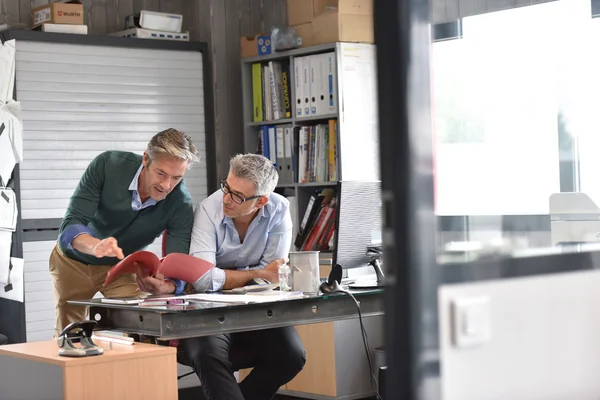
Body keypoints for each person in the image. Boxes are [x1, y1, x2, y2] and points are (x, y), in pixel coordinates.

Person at [138, 153, 306, 400]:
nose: (226, 199)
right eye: (226, 186)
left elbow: (272, 278)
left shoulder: (279, 210)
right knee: (209, 355)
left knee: (292, 355)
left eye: (237, 196)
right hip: (208, 309)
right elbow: (205, 280)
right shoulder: (208, 210)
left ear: (260, 201)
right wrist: (257, 273)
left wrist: (231, 277)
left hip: (256, 310)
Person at [49, 128, 199, 336]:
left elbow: (177, 262)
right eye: (161, 173)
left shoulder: (181, 203)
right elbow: (71, 224)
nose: (166, 185)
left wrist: (168, 286)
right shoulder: (107, 165)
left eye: (176, 178)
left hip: (121, 267)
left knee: (143, 329)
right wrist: (96, 246)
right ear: (146, 159)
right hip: (73, 263)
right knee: (70, 337)